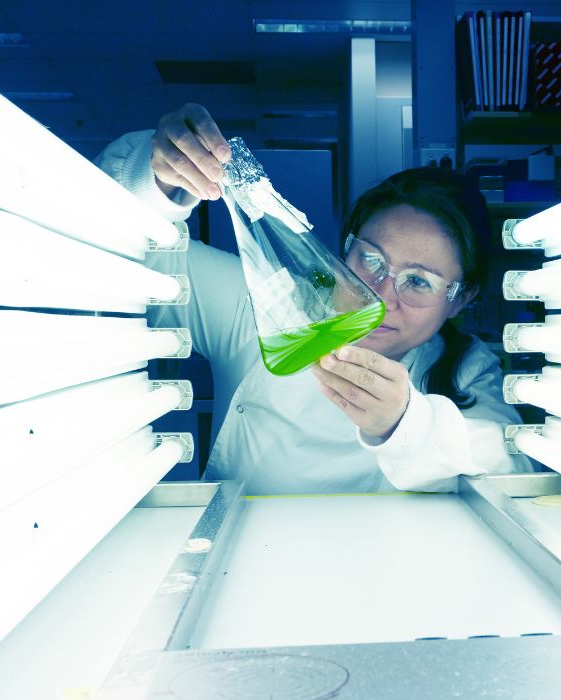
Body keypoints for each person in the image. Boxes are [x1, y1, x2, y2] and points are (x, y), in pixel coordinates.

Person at [96, 104, 532, 494]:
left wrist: (404, 424)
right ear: (345, 250)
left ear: (461, 298)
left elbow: (516, 471)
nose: (381, 298)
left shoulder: (464, 367)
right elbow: (117, 258)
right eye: (372, 261)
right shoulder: (266, 308)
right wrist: (155, 180)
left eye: (418, 282)